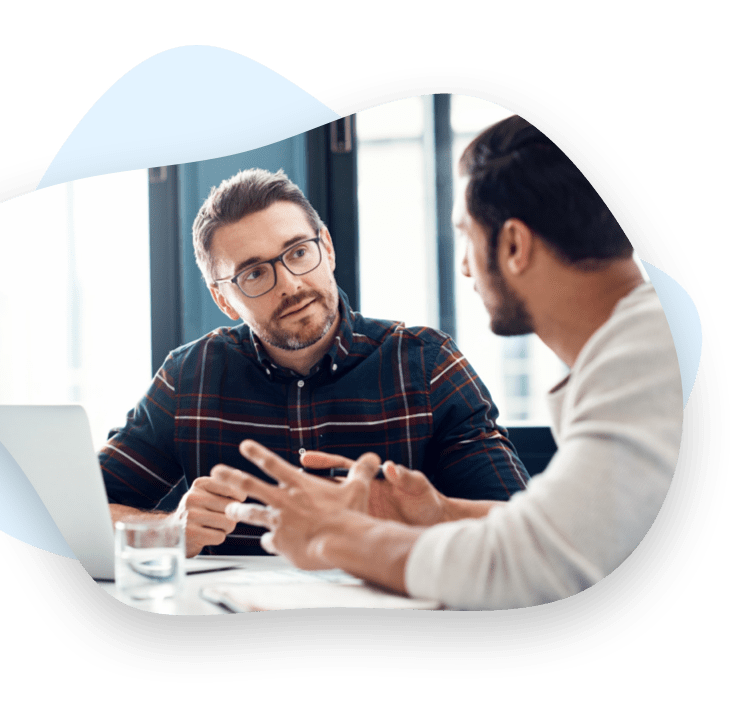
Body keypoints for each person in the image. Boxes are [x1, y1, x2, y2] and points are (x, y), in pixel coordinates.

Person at [218, 115, 684, 608]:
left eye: (466, 235)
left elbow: (530, 566)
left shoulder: (647, 357)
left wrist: (332, 535)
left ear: (513, 246)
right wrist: (439, 512)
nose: (463, 266)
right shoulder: (646, 342)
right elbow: (574, 532)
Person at [99, 168, 529, 557]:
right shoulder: (188, 378)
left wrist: (416, 513)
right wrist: (166, 531)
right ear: (222, 299)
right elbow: (81, 511)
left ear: (327, 248)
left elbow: (522, 531)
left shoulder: (428, 364)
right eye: (254, 273)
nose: (289, 284)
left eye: (299, 252)